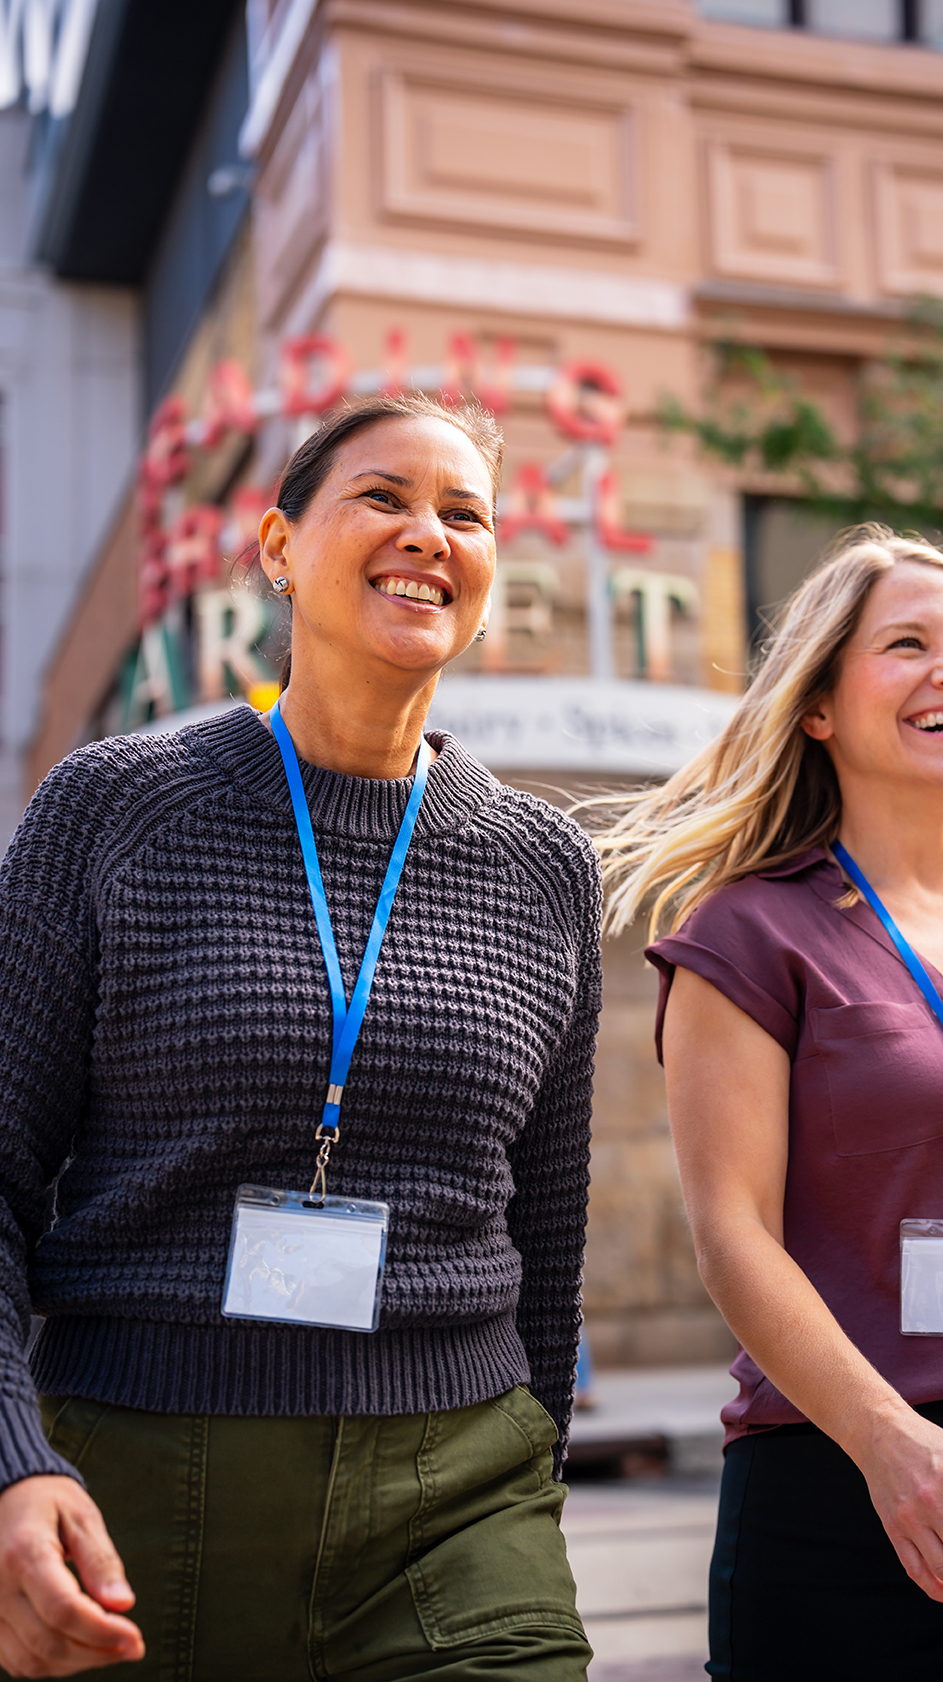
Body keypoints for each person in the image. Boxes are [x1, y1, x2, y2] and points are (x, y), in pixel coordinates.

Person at [0, 392, 600, 1679]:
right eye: (383, 496)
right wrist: (10, 1462)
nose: (428, 533)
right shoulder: (111, 808)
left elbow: (548, 1230)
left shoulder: (542, 862)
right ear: (278, 545)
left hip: (457, 1490)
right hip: (132, 1471)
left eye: (465, 513)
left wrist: (534, 1463)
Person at [596, 526, 943, 1677]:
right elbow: (732, 1234)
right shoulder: (746, 934)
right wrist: (887, 1441)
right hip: (846, 1488)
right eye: (906, 644)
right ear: (818, 707)